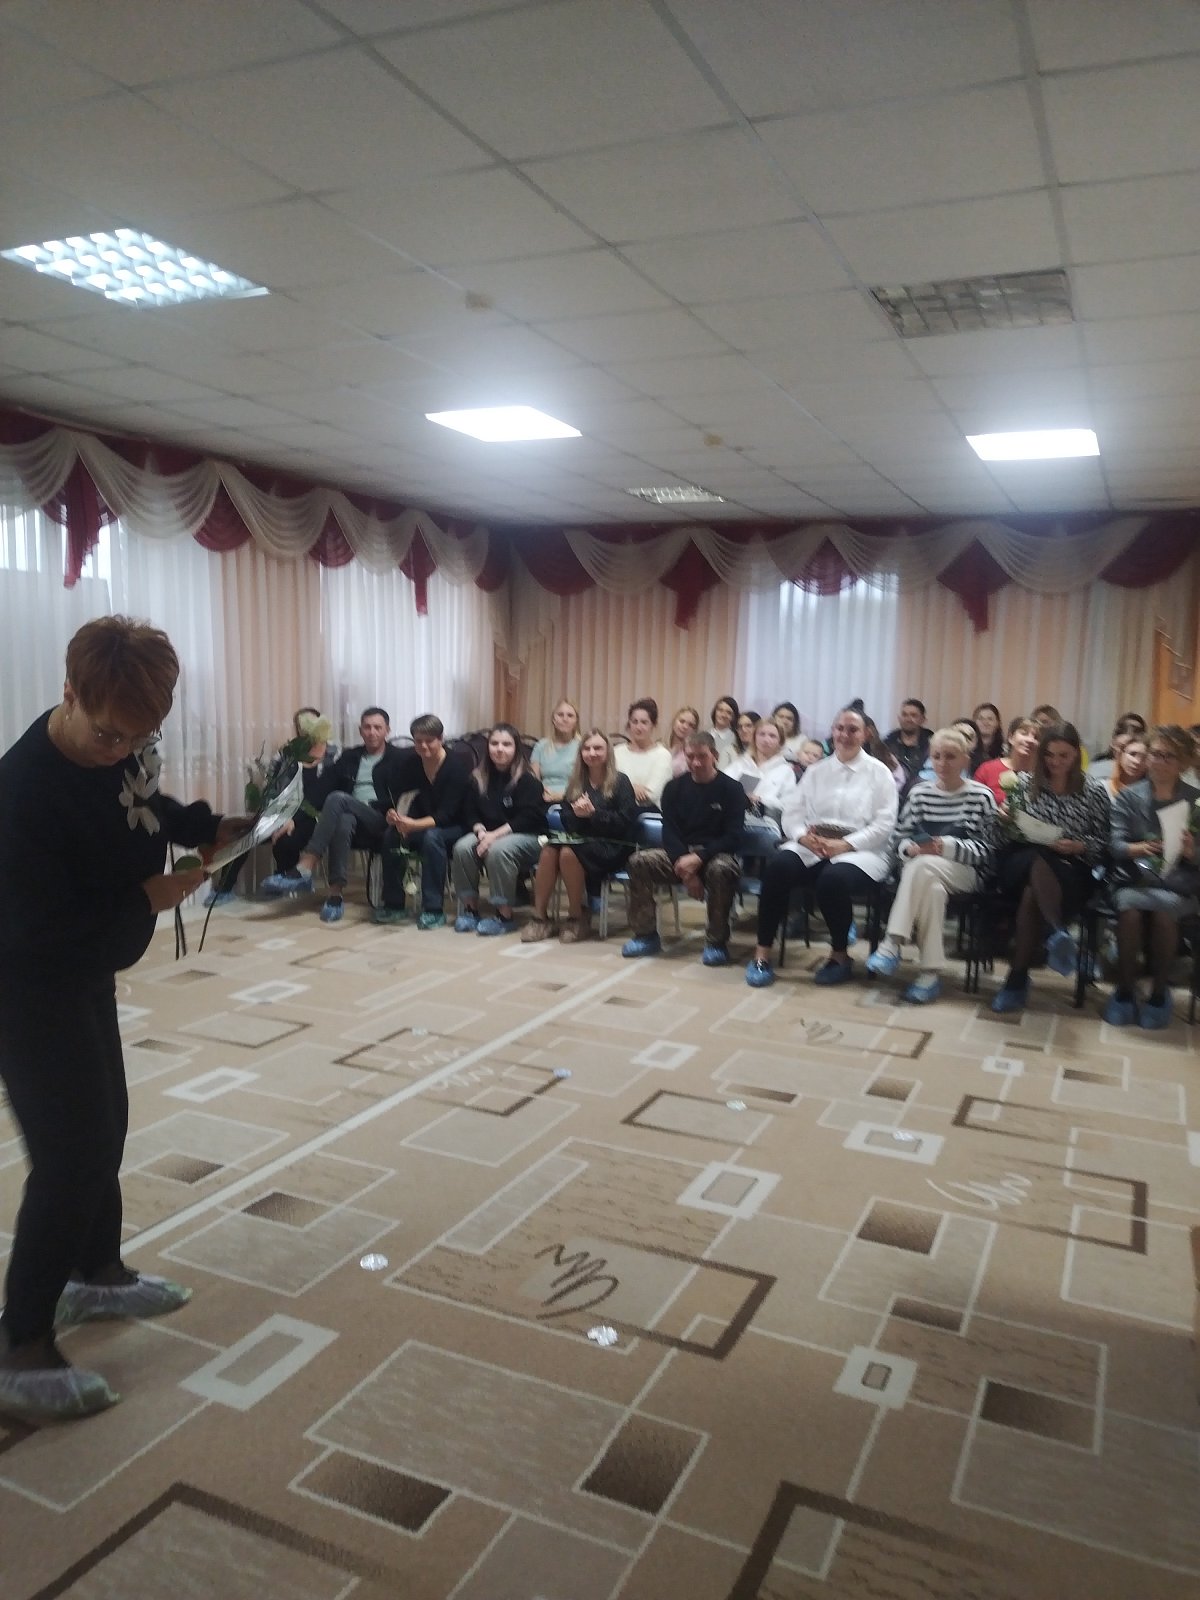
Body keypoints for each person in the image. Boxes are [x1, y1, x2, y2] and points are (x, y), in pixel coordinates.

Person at [0, 616, 245, 1423]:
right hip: (24, 982)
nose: (123, 751)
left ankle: (96, 1275)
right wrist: (146, 897)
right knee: (69, 1156)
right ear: (69, 694)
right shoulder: (21, 794)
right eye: (110, 735)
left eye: (140, 738)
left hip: (84, 970)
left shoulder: (118, 745)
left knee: (106, 1127)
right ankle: (19, 1345)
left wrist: (205, 829)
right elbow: (36, 932)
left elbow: (142, 804)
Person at [746, 706, 898, 988]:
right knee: (778, 868)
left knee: (832, 880)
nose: (845, 735)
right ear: (832, 732)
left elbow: (884, 824)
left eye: (852, 729)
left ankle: (839, 957)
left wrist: (845, 844)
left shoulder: (880, 773)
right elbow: (793, 813)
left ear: (865, 734)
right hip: (814, 844)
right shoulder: (817, 771)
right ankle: (761, 954)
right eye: (839, 728)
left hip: (863, 849)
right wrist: (802, 837)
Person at [866, 729, 998, 1004]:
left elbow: (987, 851)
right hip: (923, 871)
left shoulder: (981, 796)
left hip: (966, 872)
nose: (942, 763)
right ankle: (929, 974)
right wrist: (909, 849)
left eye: (950, 757)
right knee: (932, 888)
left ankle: (892, 942)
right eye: (936, 756)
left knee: (923, 866)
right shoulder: (920, 793)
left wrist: (944, 847)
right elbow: (899, 839)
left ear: (965, 759)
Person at [990, 722, 1110, 1013]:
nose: (1055, 762)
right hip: (1021, 860)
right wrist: (1003, 819)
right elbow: (1000, 836)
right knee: (1036, 857)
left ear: (1076, 754)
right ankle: (1057, 931)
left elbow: (1105, 841)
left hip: (1070, 868)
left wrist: (1080, 846)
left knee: (1032, 895)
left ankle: (1018, 978)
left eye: (1063, 755)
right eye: (1049, 755)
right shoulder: (1024, 783)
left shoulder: (1093, 790)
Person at [259, 705, 408, 924]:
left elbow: (411, 789)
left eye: (378, 727)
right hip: (352, 818)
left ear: (388, 730)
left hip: (381, 818)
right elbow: (320, 790)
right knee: (343, 819)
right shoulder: (350, 757)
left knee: (338, 798)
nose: (372, 732)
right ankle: (335, 896)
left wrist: (402, 813)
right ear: (360, 730)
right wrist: (292, 818)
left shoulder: (400, 758)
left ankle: (306, 865)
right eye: (367, 727)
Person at [621, 732, 747, 966]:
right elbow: (669, 832)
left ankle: (716, 941)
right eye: (690, 757)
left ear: (715, 756)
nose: (696, 763)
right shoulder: (674, 788)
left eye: (702, 756)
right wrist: (686, 870)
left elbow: (733, 836)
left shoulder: (732, 789)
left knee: (722, 869)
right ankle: (645, 935)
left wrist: (699, 858)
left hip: (715, 854)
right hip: (680, 854)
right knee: (639, 861)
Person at [1105, 725, 1200, 1029]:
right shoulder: (1130, 796)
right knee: (1130, 912)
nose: (1159, 762)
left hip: (1177, 884)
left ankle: (1159, 992)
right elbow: (1114, 845)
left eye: (1169, 756)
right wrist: (1140, 848)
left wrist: (1191, 852)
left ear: (1183, 763)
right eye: (1155, 754)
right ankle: (1125, 989)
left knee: (1164, 913)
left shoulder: (1195, 801)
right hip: (1136, 878)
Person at [204, 706, 339, 906]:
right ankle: (224, 888)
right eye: (300, 725)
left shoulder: (334, 755)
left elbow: (327, 795)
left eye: (310, 724)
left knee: (286, 840)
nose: (305, 729)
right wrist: (274, 814)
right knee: (243, 834)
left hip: (315, 816)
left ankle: (286, 879)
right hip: (281, 811)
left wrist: (292, 818)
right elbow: (272, 788)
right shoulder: (287, 753)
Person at [523, 729, 637, 944]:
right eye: (587, 748)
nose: (592, 753)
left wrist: (594, 814)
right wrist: (577, 815)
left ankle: (577, 915)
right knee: (549, 851)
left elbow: (625, 822)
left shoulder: (621, 781)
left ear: (608, 752)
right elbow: (566, 818)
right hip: (581, 840)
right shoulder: (577, 782)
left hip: (612, 846)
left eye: (598, 748)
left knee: (568, 853)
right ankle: (540, 917)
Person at [373, 714, 473, 929]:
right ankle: (394, 903)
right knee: (391, 835)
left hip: (456, 826)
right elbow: (401, 797)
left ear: (441, 739)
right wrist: (395, 815)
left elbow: (447, 815)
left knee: (432, 838)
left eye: (429, 740)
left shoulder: (456, 767)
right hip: (421, 822)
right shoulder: (411, 764)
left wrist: (413, 825)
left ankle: (433, 908)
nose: (424, 746)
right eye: (418, 741)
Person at [451, 723, 545, 935]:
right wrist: (480, 832)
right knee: (462, 848)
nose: (499, 749)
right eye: (494, 743)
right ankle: (470, 910)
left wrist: (493, 836)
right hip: (487, 833)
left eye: (506, 744)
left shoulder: (528, 779)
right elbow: (469, 812)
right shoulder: (477, 777)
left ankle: (504, 916)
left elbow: (529, 818)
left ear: (516, 748)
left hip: (528, 836)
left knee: (499, 850)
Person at [726, 716, 793, 819]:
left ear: (780, 741)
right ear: (754, 738)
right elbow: (721, 788)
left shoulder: (785, 770)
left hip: (765, 820)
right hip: (733, 816)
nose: (766, 740)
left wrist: (761, 800)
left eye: (772, 736)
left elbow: (788, 805)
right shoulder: (740, 764)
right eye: (762, 734)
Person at [614, 698, 673, 808]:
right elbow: (609, 788)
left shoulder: (663, 755)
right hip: (618, 812)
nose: (638, 727)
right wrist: (633, 788)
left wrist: (626, 788)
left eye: (644, 722)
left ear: (653, 725)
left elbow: (652, 794)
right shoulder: (617, 752)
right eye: (634, 722)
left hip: (648, 813)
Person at [975, 716, 1039, 805]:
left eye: (1036, 737)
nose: (1030, 740)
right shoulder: (987, 769)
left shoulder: (1041, 775)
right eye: (1024, 734)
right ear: (1011, 738)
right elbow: (974, 803)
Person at [529, 699, 581, 803]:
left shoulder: (583, 747)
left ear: (576, 721)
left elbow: (586, 783)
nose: (565, 719)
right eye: (560, 715)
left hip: (573, 800)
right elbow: (533, 780)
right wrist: (542, 793)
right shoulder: (541, 746)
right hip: (543, 798)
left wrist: (561, 796)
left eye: (570, 715)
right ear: (553, 719)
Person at [884, 697, 933, 798]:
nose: (908, 719)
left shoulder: (933, 745)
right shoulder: (887, 743)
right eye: (904, 715)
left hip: (922, 796)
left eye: (913, 715)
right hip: (891, 794)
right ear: (899, 718)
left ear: (923, 720)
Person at [1105, 734, 1148, 799]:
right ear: (1120, 755)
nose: (1137, 761)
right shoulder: (1101, 788)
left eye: (1144, 757)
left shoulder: (1151, 794)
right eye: (1132, 754)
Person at [667, 705, 701, 777]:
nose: (685, 727)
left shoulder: (693, 755)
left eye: (690, 725)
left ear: (695, 730)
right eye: (682, 721)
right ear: (674, 722)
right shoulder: (659, 746)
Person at [708, 696, 740, 765]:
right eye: (720, 710)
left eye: (729, 713)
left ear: (734, 717)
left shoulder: (737, 740)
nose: (723, 715)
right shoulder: (704, 734)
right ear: (715, 712)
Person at [972, 702, 1004, 767]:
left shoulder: (1005, 752)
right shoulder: (968, 749)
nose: (985, 722)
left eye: (990, 719)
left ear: (997, 723)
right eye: (981, 718)